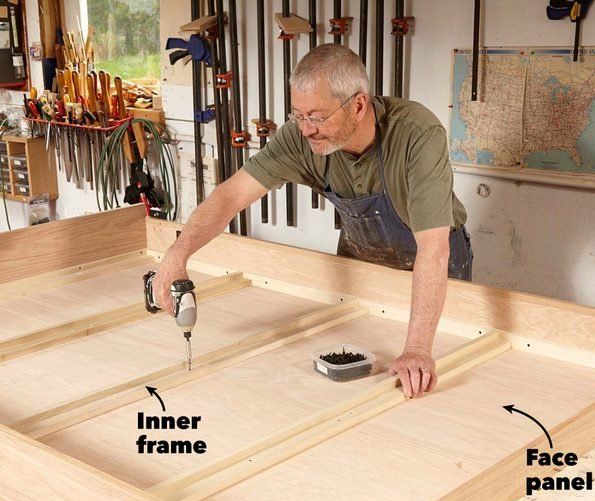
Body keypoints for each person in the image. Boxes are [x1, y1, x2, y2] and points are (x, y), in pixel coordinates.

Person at [154, 44, 472, 398]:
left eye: (318, 117)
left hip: (434, 267)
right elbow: (230, 196)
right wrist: (178, 254)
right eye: (298, 115)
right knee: (350, 387)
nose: (306, 130)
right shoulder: (300, 137)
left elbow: (433, 247)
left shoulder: (416, 133)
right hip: (362, 264)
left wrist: (416, 348)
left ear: (359, 105)